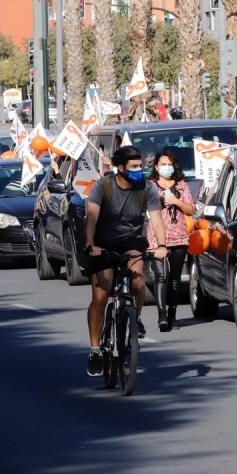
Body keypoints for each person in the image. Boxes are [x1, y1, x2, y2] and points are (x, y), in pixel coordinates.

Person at [84, 146, 168, 377]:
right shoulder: (103, 186)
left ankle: (135, 318)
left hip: (132, 241)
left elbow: (157, 220)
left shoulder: (147, 187)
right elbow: (91, 217)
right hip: (103, 243)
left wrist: (161, 245)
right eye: (133, 167)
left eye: (140, 166)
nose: (139, 170)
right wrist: (91, 244)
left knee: (138, 280)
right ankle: (94, 350)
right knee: (100, 296)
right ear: (120, 168)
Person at [147, 149, 195, 332]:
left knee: (175, 279)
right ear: (156, 167)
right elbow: (144, 205)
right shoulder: (150, 185)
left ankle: (173, 315)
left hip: (179, 236)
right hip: (157, 237)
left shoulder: (181, 185)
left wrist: (176, 201)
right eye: (163, 164)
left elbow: (191, 209)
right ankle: (162, 316)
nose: (166, 168)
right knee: (161, 276)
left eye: (169, 164)